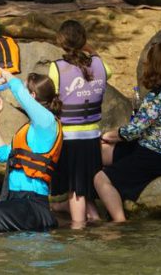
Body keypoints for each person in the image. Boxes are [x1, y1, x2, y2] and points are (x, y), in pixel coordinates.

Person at [94, 43, 161, 222]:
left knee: (100, 179)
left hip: (155, 157)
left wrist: (109, 135)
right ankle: (93, 202)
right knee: (103, 153)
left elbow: (134, 130)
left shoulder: (157, 96)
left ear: (153, 66)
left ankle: (119, 223)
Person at [0, 70, 63, 232]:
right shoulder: (30, 129)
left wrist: (4, 73)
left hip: (33, 203)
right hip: (13, 198)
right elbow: (4, 155)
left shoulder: (47, 123)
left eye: (27, 93)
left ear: (32, 96)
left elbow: (19, 90)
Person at [48, 20, 110, 228]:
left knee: (75, 189)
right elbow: (104, 69)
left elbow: (50, 96)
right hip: (93, 137)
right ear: (84, 41)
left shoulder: (57, 68)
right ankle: (95, 220)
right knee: (86, 185)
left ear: (60, 42)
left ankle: (78, 232)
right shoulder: (100, 64)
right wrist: (89, 50)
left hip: (70, 139)